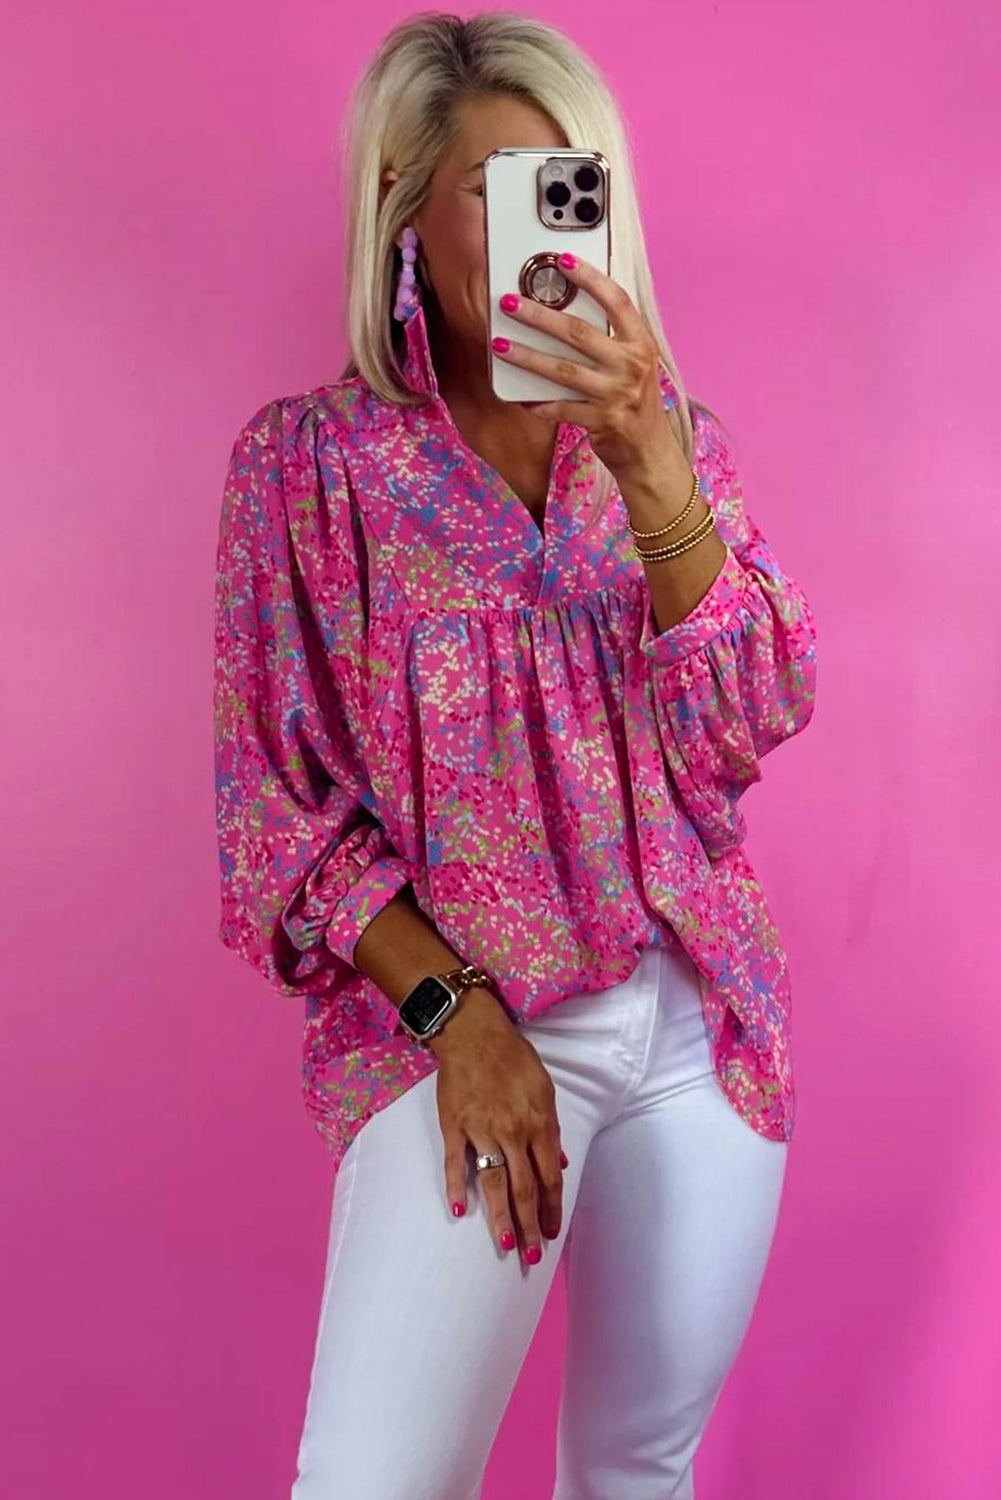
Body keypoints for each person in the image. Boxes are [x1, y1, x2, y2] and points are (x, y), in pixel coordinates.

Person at [212, 12, 818, 1498]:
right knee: (372, 1483)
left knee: (637, 1469)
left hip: (696, 1021)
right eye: (495, 192)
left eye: (568, 188)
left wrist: (656, 473)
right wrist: (457, 1017)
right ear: (403, 208)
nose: (541, 237)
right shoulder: (310, 469)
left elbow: (745, 724)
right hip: (467, 1021)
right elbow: (277, 820)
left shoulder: (671, 443)